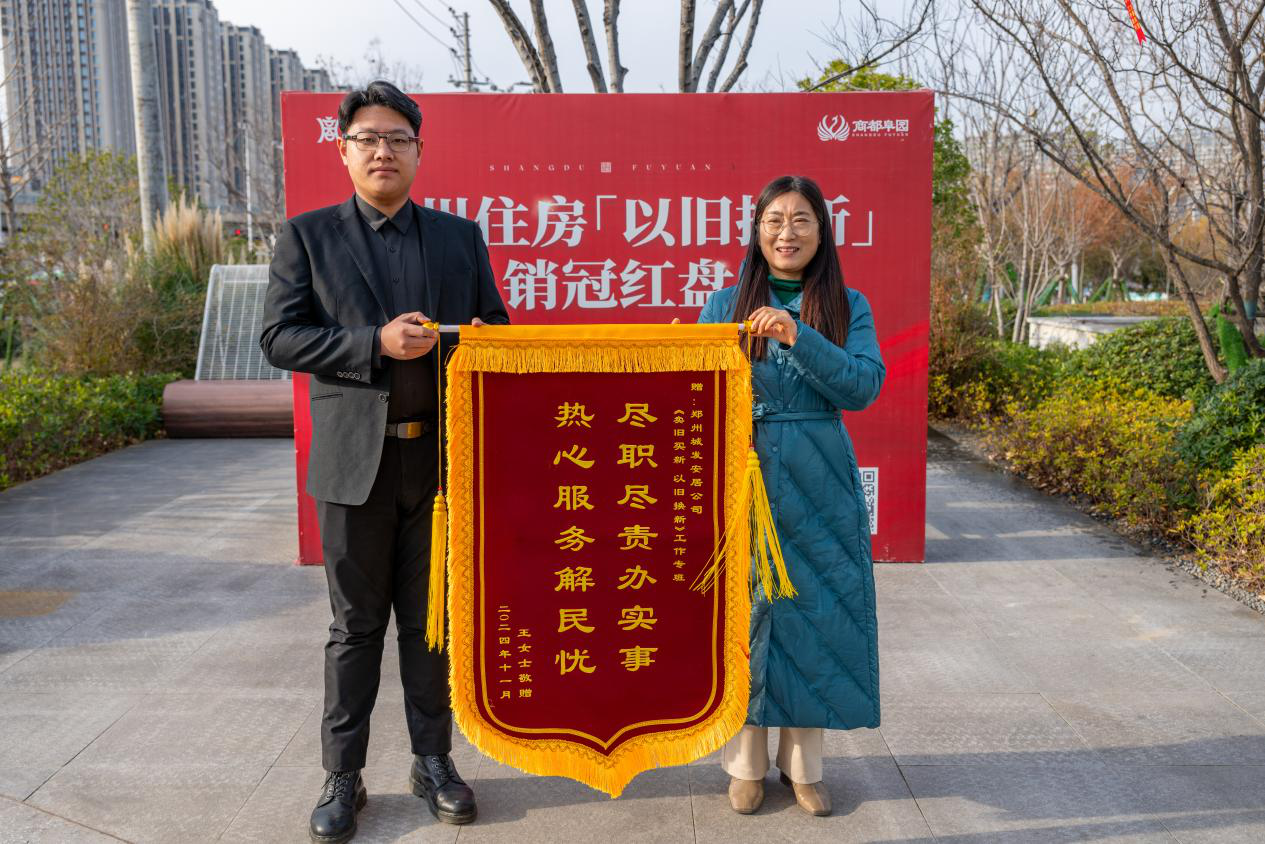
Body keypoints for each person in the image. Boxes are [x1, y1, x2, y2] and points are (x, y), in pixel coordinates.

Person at [261, 80, 508, 843]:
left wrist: (475, 340)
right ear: (343, 151)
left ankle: (433, 761)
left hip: (438, 465)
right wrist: (374, 343)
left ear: (418, 151)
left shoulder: (458, 238)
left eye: (397, 139)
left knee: (432, 624)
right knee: (354, 628)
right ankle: (343, 774)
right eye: (367, 138)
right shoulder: (307, 237)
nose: (382, 151)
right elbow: (279, 338)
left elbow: (496, 329)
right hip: (351, 466)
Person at [697, 174, 885, 817]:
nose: (787, 232)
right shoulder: (725, 304)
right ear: (756, 232)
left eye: (801, 219)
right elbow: (698, 391)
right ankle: (744, 764)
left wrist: (797, 336)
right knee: (745, 615)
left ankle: (804, 768)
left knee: (816, 614)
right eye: (774, 220)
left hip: (819, 475)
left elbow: (863, 386)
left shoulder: (847, 305)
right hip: (743, 473)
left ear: (821, 231)